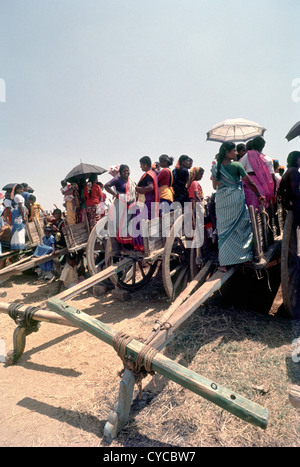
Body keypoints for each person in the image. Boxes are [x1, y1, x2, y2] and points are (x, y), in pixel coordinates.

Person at [211, 142, 265, 271]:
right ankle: (246, 257)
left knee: (224, 231)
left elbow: (215, 186)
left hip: (222, 201)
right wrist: (259, 195)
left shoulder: (216, 168)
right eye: (234, 151)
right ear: (227, 152)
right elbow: (250, 182)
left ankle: (223, 264)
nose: (236, 153)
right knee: (242, 225)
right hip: (235, 199)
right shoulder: (237, 165)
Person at [130, 156, 160, 251]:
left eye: (141, 165)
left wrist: (137, 189)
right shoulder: (153, 173)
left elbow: (150, 188)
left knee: (137, 221)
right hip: (150, 202)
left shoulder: (148, 175)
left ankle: (140, 245)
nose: (140, 167)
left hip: (146, 202)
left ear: (145, 164)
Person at [104, 164, 136, 251]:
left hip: (130, 205)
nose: (126, 172)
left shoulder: (130, 181)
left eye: (127, 170)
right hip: (120, 204)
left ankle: (129, 244)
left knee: (130, 224)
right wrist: (115, 194)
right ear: (121, 173)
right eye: (124, 171)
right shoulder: (117, 179)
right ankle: (122, 246)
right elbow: (106, 186)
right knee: (121, 225)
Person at [239, 137, 274, 210]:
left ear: (252, 145)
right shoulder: (265, 159)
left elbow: (240, 168)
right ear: (263, 147)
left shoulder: (247, 155)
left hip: (250, 184)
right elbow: (270, 175)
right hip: (263, 185)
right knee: (261, 207)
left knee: (251, 207)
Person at [278, 151, 300, 226]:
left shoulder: (289, 171)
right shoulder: (294, 171)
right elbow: (294, 190)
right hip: (294, 203)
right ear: (297, 160)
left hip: (289, 202)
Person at [10, 184, 27, 251]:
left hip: (17, 214)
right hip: (19, 215)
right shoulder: (18, 196)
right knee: (19, 229)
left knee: (18, 230)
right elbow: (20, 208)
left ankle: (17, 246)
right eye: (21, 189)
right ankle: (18, 245)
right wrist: (23, 217)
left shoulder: (18, 196)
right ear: (17, 190)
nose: (22, 190)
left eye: (22, 189)